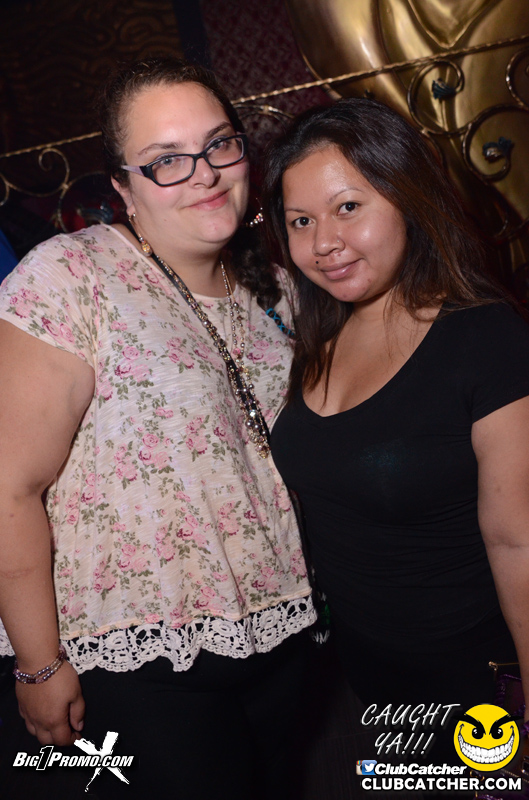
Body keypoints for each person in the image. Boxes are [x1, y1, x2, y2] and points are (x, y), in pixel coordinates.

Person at [0, 57, 316, 800]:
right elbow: (10, 486)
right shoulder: (71, 277)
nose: (204, 174)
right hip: (132, 660)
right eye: (166, 160)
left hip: (283, 637)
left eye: (218, 144)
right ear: (123, 187)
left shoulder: (282, 292)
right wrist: (39, 665)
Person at [262, 98, 529, 765]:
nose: (323, 242)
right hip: (375, 679)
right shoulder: (319, 339)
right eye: (301, 221)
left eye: (348, 207)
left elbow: (518, 541)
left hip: (478, 682)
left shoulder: (484, 336)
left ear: (406, 197)